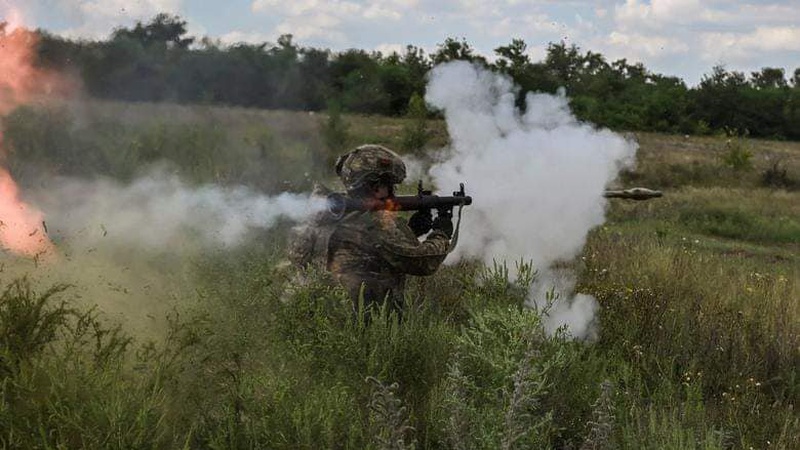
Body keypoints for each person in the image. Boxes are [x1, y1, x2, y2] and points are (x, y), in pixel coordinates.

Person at [288, 144, 454, 320]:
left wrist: (411, 230)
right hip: (362, 324)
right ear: (375, 187)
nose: (392, 192)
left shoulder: (325, 214)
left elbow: (367, 251)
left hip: (317, 320)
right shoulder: (373, 222)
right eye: (389, 185)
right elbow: (420, 261)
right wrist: (441, 234)